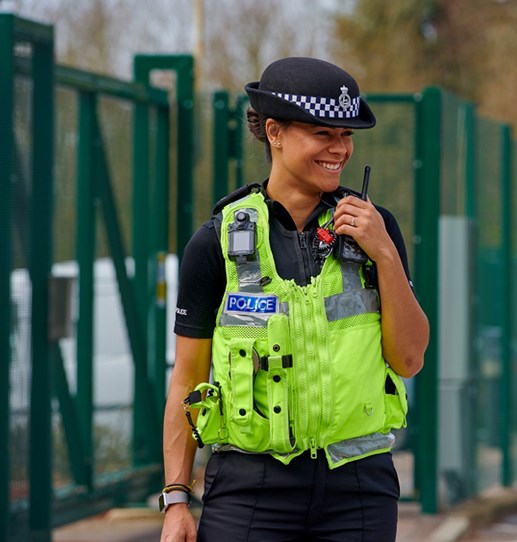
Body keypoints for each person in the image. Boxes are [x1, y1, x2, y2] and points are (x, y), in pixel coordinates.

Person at [160, 57, 429, 542]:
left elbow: (409, 359)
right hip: (249, 490)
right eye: (323, 134)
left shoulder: (376, 230)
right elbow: (187, 376)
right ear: (274, 132)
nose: (340, 149)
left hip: (358, 490)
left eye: (346, 136)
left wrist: (385, 254)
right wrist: (176, 499)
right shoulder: (217, 241)